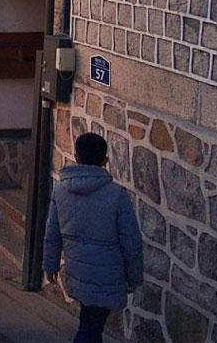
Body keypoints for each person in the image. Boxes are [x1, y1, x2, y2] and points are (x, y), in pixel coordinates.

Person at [43, 133, 143, 343]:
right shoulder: (117, 194)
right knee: (92, 328)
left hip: (77, 270)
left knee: (88, 322)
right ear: (105, 160)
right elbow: (131, 242)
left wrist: (50, 265)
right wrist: (134, 276)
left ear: (76, 157)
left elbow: (52, 234)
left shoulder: (60, 191)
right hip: (107, 275)